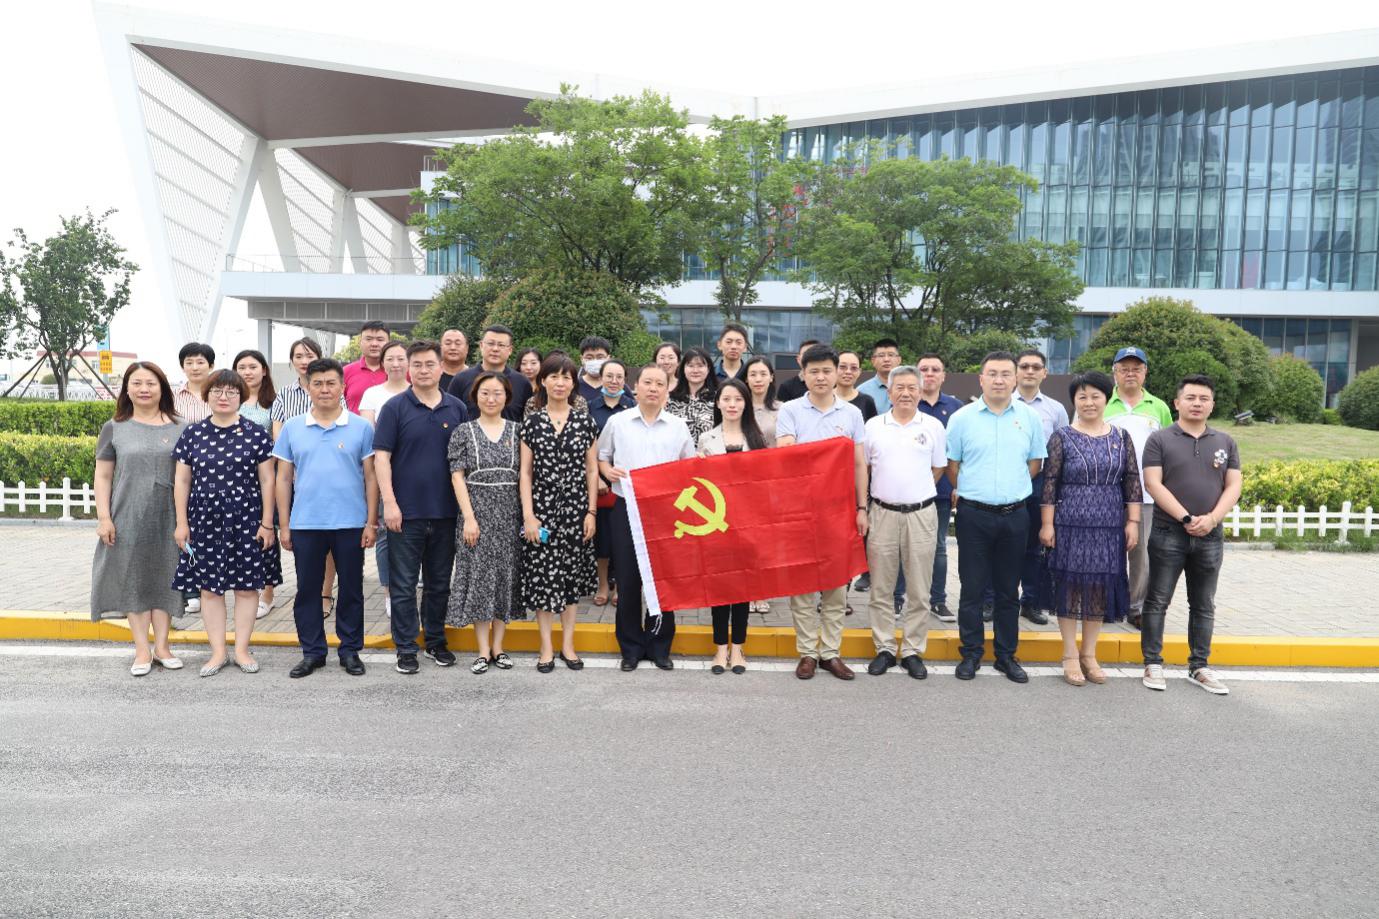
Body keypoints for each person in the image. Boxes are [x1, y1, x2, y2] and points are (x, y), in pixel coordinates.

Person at [945, 351, 1047, 684]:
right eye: (993, 374)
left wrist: (1009, 489)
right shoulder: (962, 418)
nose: (999, 380)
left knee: (1007, 591)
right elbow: (953, 466)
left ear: (1015, 378)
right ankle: (971, 653)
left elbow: (1035, 464)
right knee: (972, 589)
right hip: (974, 515)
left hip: (1015, 515)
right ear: (981, 379)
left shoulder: (1029, 418)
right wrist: (975, 490)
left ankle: (1006, 655)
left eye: (1006, 374)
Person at [274, 358, 378, 679]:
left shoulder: (361, 426)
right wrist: (285, 524)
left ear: (342, 386)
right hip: (306, 523)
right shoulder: (293, 427)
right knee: (307, 589)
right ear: (306, 387)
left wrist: (371, 521)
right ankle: (313, 652)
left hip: (351, 523)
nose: (324, 389)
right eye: (317, 383)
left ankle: (349, 650)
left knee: (351, 589)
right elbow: (282, 479)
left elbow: (371, 478)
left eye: (331, 383)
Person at [1139, 374, 1242, 696]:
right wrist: (1185, 517)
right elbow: (1153, 483)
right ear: (1177, 403)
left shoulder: (1225, 442)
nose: (1197, 403)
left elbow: (1234, 485)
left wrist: (1211, 519)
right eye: (1191, 398)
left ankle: (1199, 666)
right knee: (1157, 600)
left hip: (1210, 535)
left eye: (1203, 399)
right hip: (1168, 531)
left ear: (1212, 404)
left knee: (1203, 603)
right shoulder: (1160, 439)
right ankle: (1153, 662)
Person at [1038, 371, 1142, 687]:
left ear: (1106, 398)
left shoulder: (1121, 437)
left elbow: (1132, 481)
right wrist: (1046, 524)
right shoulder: (1062, 437)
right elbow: (1050, 483)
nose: (1089, 402)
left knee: (1097, 587)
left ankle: (1089, 654)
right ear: (1074, 401)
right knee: (1069, 586)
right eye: (1082, 396)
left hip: (1108, 523)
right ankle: (1069, 655)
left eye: (1095, 395)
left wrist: (1133, 522)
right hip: (1069, 522)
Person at [171, 370, 276, 677]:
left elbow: (268, 479)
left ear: (241, 396)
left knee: (246, 587)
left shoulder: (256, 433)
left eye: (231, 391)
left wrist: (267, 522)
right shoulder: (192, 434)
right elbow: (182, 480)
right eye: (217, 391)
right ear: (207, 395)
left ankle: (241, 650)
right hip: (204, 521)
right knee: (210, 589)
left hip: (247, 520)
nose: (224, 396)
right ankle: (217, 651)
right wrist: (181, 522)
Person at [372, 341, 468, 674]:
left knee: (440, 583)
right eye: (418, 365)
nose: (424, 370)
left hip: (446, 513)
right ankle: (406, 647)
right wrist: (390, 504)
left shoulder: (457, 408)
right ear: (408, 369)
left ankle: (436, 641)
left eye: (430, 364)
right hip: (405, 514)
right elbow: (381, 457)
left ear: (441, 367)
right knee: (403, 585)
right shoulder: (395, 408)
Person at [775, 345, 869, 681]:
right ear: (803, 374)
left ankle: (830, 652)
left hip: (839, 510)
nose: (821, 377)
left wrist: (862, 507)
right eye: (813, 371)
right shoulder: (790, 410)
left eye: (827, 371)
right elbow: (785, 455)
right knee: (802, 587)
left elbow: (859, 463)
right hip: (800, 511)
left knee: (835, 586)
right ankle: (807, 653)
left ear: (836, 373)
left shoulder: (851, 414)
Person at [90, 362, 187, 677]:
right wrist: (104, 517)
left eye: (151, 383)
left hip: (169, 515)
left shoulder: (181, 426)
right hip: (128, 513)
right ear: (127, 389)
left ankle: (162, 646)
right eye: (137, 383)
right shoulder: (114, 427)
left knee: (165, 576)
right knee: (134, 577)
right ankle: (142, 650)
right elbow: (103, 475)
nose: (144, 389)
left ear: (162, 388)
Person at [597, 364, 696, 670]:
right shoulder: (618, 422)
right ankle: (630, 647)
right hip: (627, 508)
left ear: (668, 390)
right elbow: (602, 456)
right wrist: (607, 471)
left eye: (659, 384)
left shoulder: (678, 426)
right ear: (635, 387)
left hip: (665, 513)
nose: (653, 388)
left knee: (662, 581)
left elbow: (689, 467)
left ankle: (659, 645)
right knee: (627, 580)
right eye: (647, 383)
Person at [861, 366, 948, 681]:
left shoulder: (934, 426)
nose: (906, 393)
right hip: (882, 513)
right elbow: (866, 468)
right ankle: (884, 647)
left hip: (921, 514)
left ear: (921, 390)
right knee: (881, 588)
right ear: (889, 391)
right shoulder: (873, 426)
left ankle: (912, 650)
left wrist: (913, 494)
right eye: (900, 387)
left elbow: (938, 468)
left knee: (919, 590)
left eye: (913, 387)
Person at [520, 354, 599, 672]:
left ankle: (568, 645)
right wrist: (529, 515)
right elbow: (525, 473)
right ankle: (546, 648)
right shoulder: (532, 422)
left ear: (573, 384)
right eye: (554, 376)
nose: (560, 382)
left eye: (566, 377)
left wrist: (591, 511)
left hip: (576, 513)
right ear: (543, 381)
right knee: (543, 580)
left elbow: (592, 470)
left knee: (570, 580)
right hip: (541, 512)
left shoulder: (585, 421)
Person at [448, 372, 523, 673]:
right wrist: (469, 518)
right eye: (485, 393)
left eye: (497, 393)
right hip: (475, 515)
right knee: (479, 580)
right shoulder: (463, 432)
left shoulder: (519, 431)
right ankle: (482, 651)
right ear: (475, 396)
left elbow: (526, 477)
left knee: (505, 578)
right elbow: (457, 475)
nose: (491, 399)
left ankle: (499, 648)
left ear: (507, 397)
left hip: (509, 515)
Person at [696, 379, 769, 674]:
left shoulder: (757, 438)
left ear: (746, 404)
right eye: (726, 399)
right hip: (716, 524)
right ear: (718, 403)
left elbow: (766, 483)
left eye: (738, 399)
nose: (732, 404)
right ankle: (719, 649)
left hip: (748, 523)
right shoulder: (706, 439)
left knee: (741, 589)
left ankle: (738, 648)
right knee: (719, 589)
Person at [1104, 346, 1174, 631]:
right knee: (1107, 551)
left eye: (1136, 368)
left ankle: (1136, 607)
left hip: (1146, 494)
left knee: (1141, 553)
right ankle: (1107, 603)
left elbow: (1171, 448)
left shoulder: (1158, 407)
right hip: (1106, 493)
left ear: (1145, 372)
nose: (1130, 373)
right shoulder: (1101, 403)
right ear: (1115, 372)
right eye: (1124, 368)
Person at [270, 336, 338, 619]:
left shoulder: (332, 389)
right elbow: (278, 430)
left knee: (331, 538)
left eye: (308, 355)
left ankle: (325, 592)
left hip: (327, 474)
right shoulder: (285, 393)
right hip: (295, 473)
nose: (303, 360)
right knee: (304, 538)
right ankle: (306, 590)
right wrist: (292, 462)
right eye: (298, 355)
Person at [1014, 348, 1071, 625]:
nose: (1030, 371)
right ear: (1016, 371)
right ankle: (995, 600)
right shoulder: (1002, 402)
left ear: (1044, 373)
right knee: (1002, 545)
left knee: (1035, 547)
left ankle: (1031, 601)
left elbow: (1062, 450)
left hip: (1040, 483)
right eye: (1024, 366)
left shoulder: (1055, 409)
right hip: (1006, 482)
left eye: (1036, 367)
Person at [358, 340, 411, 616]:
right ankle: (390, 591)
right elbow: (370, 434)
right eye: (390, 358)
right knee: (386, 535)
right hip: (382, 471)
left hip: (414, 474)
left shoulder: (418, 393)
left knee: (414, 533)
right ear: (384, 362)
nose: (396, 363)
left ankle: (411, 588)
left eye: (401, 358)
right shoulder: (372, 394)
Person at [232, 349, 283, 620]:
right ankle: (243, 589)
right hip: (233, 480)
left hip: (264, 477)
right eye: (242, 367)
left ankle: (267, 593)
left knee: (266, 533)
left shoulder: (273, 402)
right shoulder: (230, 400)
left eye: (253, 366)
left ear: (264, 370)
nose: (247, 372)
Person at [916, 353, 965, 623]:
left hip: (943, 490)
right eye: (924, 369)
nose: (930, 373)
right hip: (909, 491)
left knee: (938, 547)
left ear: (944, 376)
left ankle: (938, 600)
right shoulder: (909, 403)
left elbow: (960, 451)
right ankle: (900, 600)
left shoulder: (956, 407)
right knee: (904, 547)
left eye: (935, 369)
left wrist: (959, 485)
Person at [589, 359, 635, 608]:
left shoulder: (632, 408)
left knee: (622, 536)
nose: (614, 381)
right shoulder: (589, 408)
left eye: (619, 376)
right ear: (601, 377)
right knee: (602, 537)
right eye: (609, 376)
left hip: (626, 483)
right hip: (597, 480)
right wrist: (597, 478)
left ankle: (619, 585)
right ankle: (603, 583)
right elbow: (587, 449)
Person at [447, 324, 532, 420]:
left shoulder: (522, 382)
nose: (495, 349)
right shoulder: (461, 379)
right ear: (481, 345)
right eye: (491, 344)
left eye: (501, 345)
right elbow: (451, 417)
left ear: (510, 350)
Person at [666, 346, 717, 442]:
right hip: (678, 455)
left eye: (700, 366)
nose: (695, 370)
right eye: (691, 366)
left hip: (710, 454)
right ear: (683, 369)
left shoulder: (719, 399)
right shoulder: (671, 400)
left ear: (708, 369)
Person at [343, 320, 391, 412]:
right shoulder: (345, 372)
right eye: (368, 339)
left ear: (389, 342)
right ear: (360, 342)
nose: (374, 344)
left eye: (380, 339)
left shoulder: (400, 371)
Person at [857, 338, 902, 414]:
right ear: (873, 361)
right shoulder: (862, 391)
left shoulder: (910, 388)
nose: (886, 359)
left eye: (891, 355)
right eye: (881, 355)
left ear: (899, 360)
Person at [743, 355, 780, 447]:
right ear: (746, 379)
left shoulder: (783, 409)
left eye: (763, 374)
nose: (758, 379)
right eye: (753, 374)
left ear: (771, 377)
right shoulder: (739, 408)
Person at [172, 342, 214, 424]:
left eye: (200, 362)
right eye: (189, 363)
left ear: (211, 366)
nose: (194, 368)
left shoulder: (221, 395)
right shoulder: (172, 396)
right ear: (182, 367)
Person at [835, 350, 878, 422]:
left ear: (859, 372)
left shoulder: (867, 401)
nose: (848, 372)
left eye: (854, 368)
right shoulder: (824, 398)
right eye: (842, 367)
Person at [776, 339, 820, 403]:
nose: (811, 357)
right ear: (798, 359)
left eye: (815, 353)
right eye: (806, 354)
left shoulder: (832, 384)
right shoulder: (786, 387)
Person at [576, 335, 612, 404]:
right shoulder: (573, 386)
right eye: (589, 358)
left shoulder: (617, 385)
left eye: (600, 357)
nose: (595, 361)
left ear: (608, 358)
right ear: (582, 359)